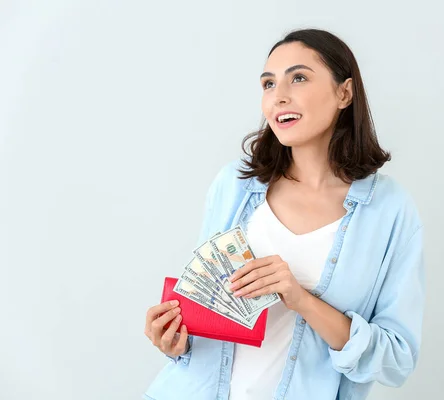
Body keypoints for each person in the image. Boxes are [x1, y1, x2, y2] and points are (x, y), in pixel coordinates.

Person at [143, 28, 425, 400]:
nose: (279, 97)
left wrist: (301, 299)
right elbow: (205, 308)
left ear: (344, 92)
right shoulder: (234, 186)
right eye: (268, 84)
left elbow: (396, 359)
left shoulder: (389, 210)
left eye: (299, 78)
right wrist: (175, 340)